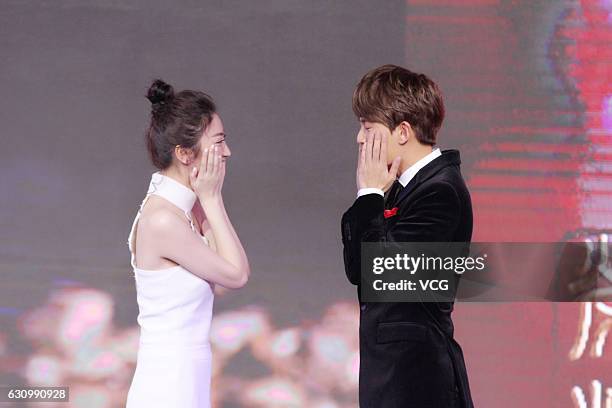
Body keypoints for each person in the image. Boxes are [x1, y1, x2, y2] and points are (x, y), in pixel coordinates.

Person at [340, 65, 474, 407]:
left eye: (367, 127)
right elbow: (357, 268)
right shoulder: (401, 188)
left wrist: (370, 194)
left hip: (417, 383)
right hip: (395, 380)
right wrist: (370, 196)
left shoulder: (439, 192)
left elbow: (378, 273)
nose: (359, 138)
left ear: (402, 131)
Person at [125, 79, 250, 407]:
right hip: (168, 383)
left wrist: (204, 202)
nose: (227, 151)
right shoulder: (164, 219)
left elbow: (220, 282)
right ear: (183, 153)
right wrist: (212, 199)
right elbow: (237, 276)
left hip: (187, 378)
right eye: (219, 142)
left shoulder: (182, 209)